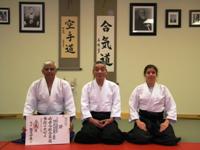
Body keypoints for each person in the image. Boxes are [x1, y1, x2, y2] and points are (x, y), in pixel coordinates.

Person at [14, 60, 76, 144]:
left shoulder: (64, 84)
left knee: (68, 135)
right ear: (42, 71)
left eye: (52, 69)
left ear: (56, 70)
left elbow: (70, 104)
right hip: (40, 119)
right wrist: (28, 123)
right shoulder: (35, 85)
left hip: (58, 118)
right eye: (46, 69)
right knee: (26, 136)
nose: (49, 71)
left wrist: (69, 122)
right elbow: (29, 104)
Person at [126, 64, 181, 146]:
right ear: (145, 75)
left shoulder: (163, 89)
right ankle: (153, 136)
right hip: (143, 119)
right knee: (140, 138)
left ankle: (149, 136)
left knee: (170, 140)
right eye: (148, 72)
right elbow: (132, 106)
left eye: (153, 72)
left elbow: (171, 106)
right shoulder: (139, 89)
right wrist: (138, 122)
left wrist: (166, 122)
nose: (151, 74)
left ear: (156, 75)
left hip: (158, 120)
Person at [74, 61, 124, 144]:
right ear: (93, 72)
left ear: (106, 72)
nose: (99, 71)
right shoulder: (87, 87)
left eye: (102, 69)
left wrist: (111, 119)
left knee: (113, 137)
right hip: (92, 118)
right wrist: (91, 120)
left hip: (108, 118)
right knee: (85, 136)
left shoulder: (114, 86)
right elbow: (84, 105)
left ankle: (101, 134)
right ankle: (100, 134)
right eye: (96, 69)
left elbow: (116, 104)